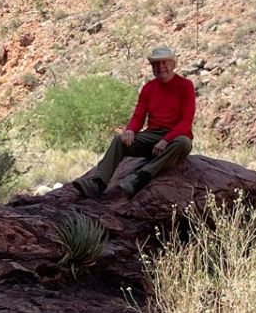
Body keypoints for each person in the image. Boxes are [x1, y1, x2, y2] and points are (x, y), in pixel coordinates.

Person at [72, 45, 195, 199]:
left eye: (164, 63)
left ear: (173, 64)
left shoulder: (185, 86)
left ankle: (140, 177)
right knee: (119, 141)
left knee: (183, 142)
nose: (160, 67)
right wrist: (130, 129)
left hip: (174, 138)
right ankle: (98, 183)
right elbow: (139, 114)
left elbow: (186, 121)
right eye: (156, 64)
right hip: (152, 136)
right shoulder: (148, 88)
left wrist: (166, 140)